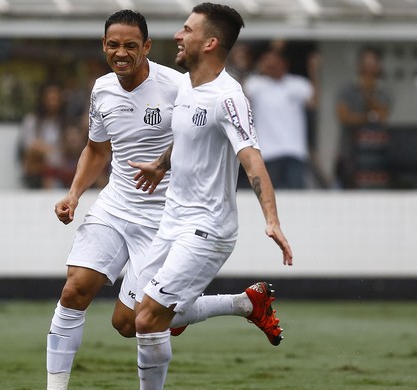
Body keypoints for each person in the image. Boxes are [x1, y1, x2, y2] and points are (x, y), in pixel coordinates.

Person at [128, 3, 293, 389]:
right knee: (135, 316)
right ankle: (246, 303)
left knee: (148, 319)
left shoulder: (229, 98)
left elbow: (253, 163)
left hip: (207, 229)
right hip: (173, 221)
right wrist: (161, 164)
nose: (177, 36)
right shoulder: (187, 84)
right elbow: (188, 135)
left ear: (210, 42)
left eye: (187, 29)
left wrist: (271, 220)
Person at [46, 10, 183, 390]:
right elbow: (96, 149)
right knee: (74, 290)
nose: (120, 53)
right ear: (104, 45)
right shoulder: (102, 88)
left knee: (128, 324)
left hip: (161, 220)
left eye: (130, 46)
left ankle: (237, 303)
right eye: (113, 45)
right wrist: (74, 195)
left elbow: (201, 139)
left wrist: (163, 163)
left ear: (148, 47)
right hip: (115, 206)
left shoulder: (176, 86)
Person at [243, 48, 316, 189]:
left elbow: (313, 103)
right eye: (267, 63)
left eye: (275, 63)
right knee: (269, 197)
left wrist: (314, 71)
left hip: (295, 151)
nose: (271, 66)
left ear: (284, 64)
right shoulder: (255, 84)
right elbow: (241, 100)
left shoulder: (298, 84)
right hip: (267, 152)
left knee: (296, 199)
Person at [335, 47, 392, 189]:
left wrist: (367, 93)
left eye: (372, 64)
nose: (369, 69)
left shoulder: (383, 91)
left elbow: (382, 115)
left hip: (375, 153)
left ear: (378, 66)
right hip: (350, 150)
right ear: (359, 65)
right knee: (348, 187)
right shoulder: (347, 89)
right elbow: (344, 116)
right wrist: (368, 116)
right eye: (366, 64)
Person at [18, 82, 67, 189]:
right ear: (43, 100)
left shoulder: (66, 121)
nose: (53, 103)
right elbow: (30, 146)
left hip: (62, 165)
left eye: (56, 99)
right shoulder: (32, 120)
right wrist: (50, 152)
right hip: (40, 165)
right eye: (50, 99)